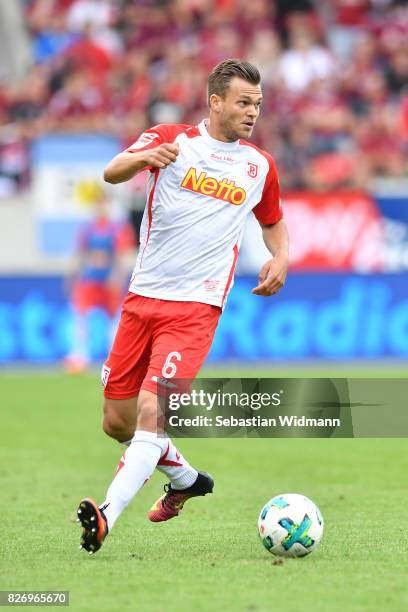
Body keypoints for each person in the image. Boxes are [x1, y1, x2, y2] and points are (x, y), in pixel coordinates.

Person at [76, 59, 289, 554]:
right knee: (117, 423)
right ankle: (187, 478)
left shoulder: (259, 165)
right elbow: (112, 172)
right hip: (142, 298)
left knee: (153, 411)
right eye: (242, 102)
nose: (251, 112)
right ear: (215, 102)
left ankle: (106, 515)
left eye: (257, 104)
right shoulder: (170, 137)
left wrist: (281, 255)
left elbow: (272, 219)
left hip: (196, 308)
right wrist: (146, 158)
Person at [64, 185, 135, 372]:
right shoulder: (87, 229)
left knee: (115, 321)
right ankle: (78, 356)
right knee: (80, 316)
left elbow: (122, 256)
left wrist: (117, 277)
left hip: (108, 282)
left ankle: (115, 358)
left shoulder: (118, 229)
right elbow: (79, 254)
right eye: (98, 203)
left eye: (104, 203)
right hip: (89, 281)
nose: (100, 207)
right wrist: (72, 277)